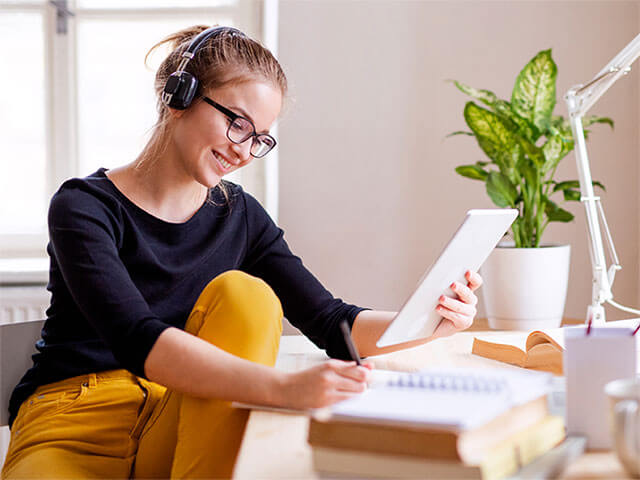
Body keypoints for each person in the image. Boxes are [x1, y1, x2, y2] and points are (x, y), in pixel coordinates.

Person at [1, 25, 482, 479]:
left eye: (260, 138)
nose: (244, 151)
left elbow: (333, 322)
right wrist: (281, 389)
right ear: (179, 97)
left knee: (245, 295)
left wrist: (428, 320)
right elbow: (134, 336)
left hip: (182, 412)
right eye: (237, 123)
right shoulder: (84, 206)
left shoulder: (241, 216)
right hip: (74, 419)